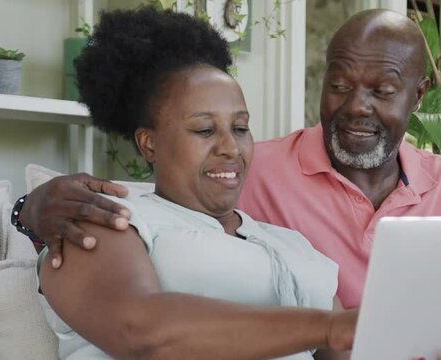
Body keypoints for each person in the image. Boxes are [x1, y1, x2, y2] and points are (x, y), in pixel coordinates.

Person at [17, 9, 441, 309]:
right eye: (338, 86)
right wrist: (29, 209)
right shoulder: (246, 171)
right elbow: (140, 206)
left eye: (383, 91)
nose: (357, 106)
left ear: (417, 98)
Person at [33, 7, 357, 359]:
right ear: (148, 143)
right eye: (204, 130)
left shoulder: (291, 244)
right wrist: (326, 327)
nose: (231, 148)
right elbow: (140, 331)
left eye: (240, 128)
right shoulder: (109, 219)